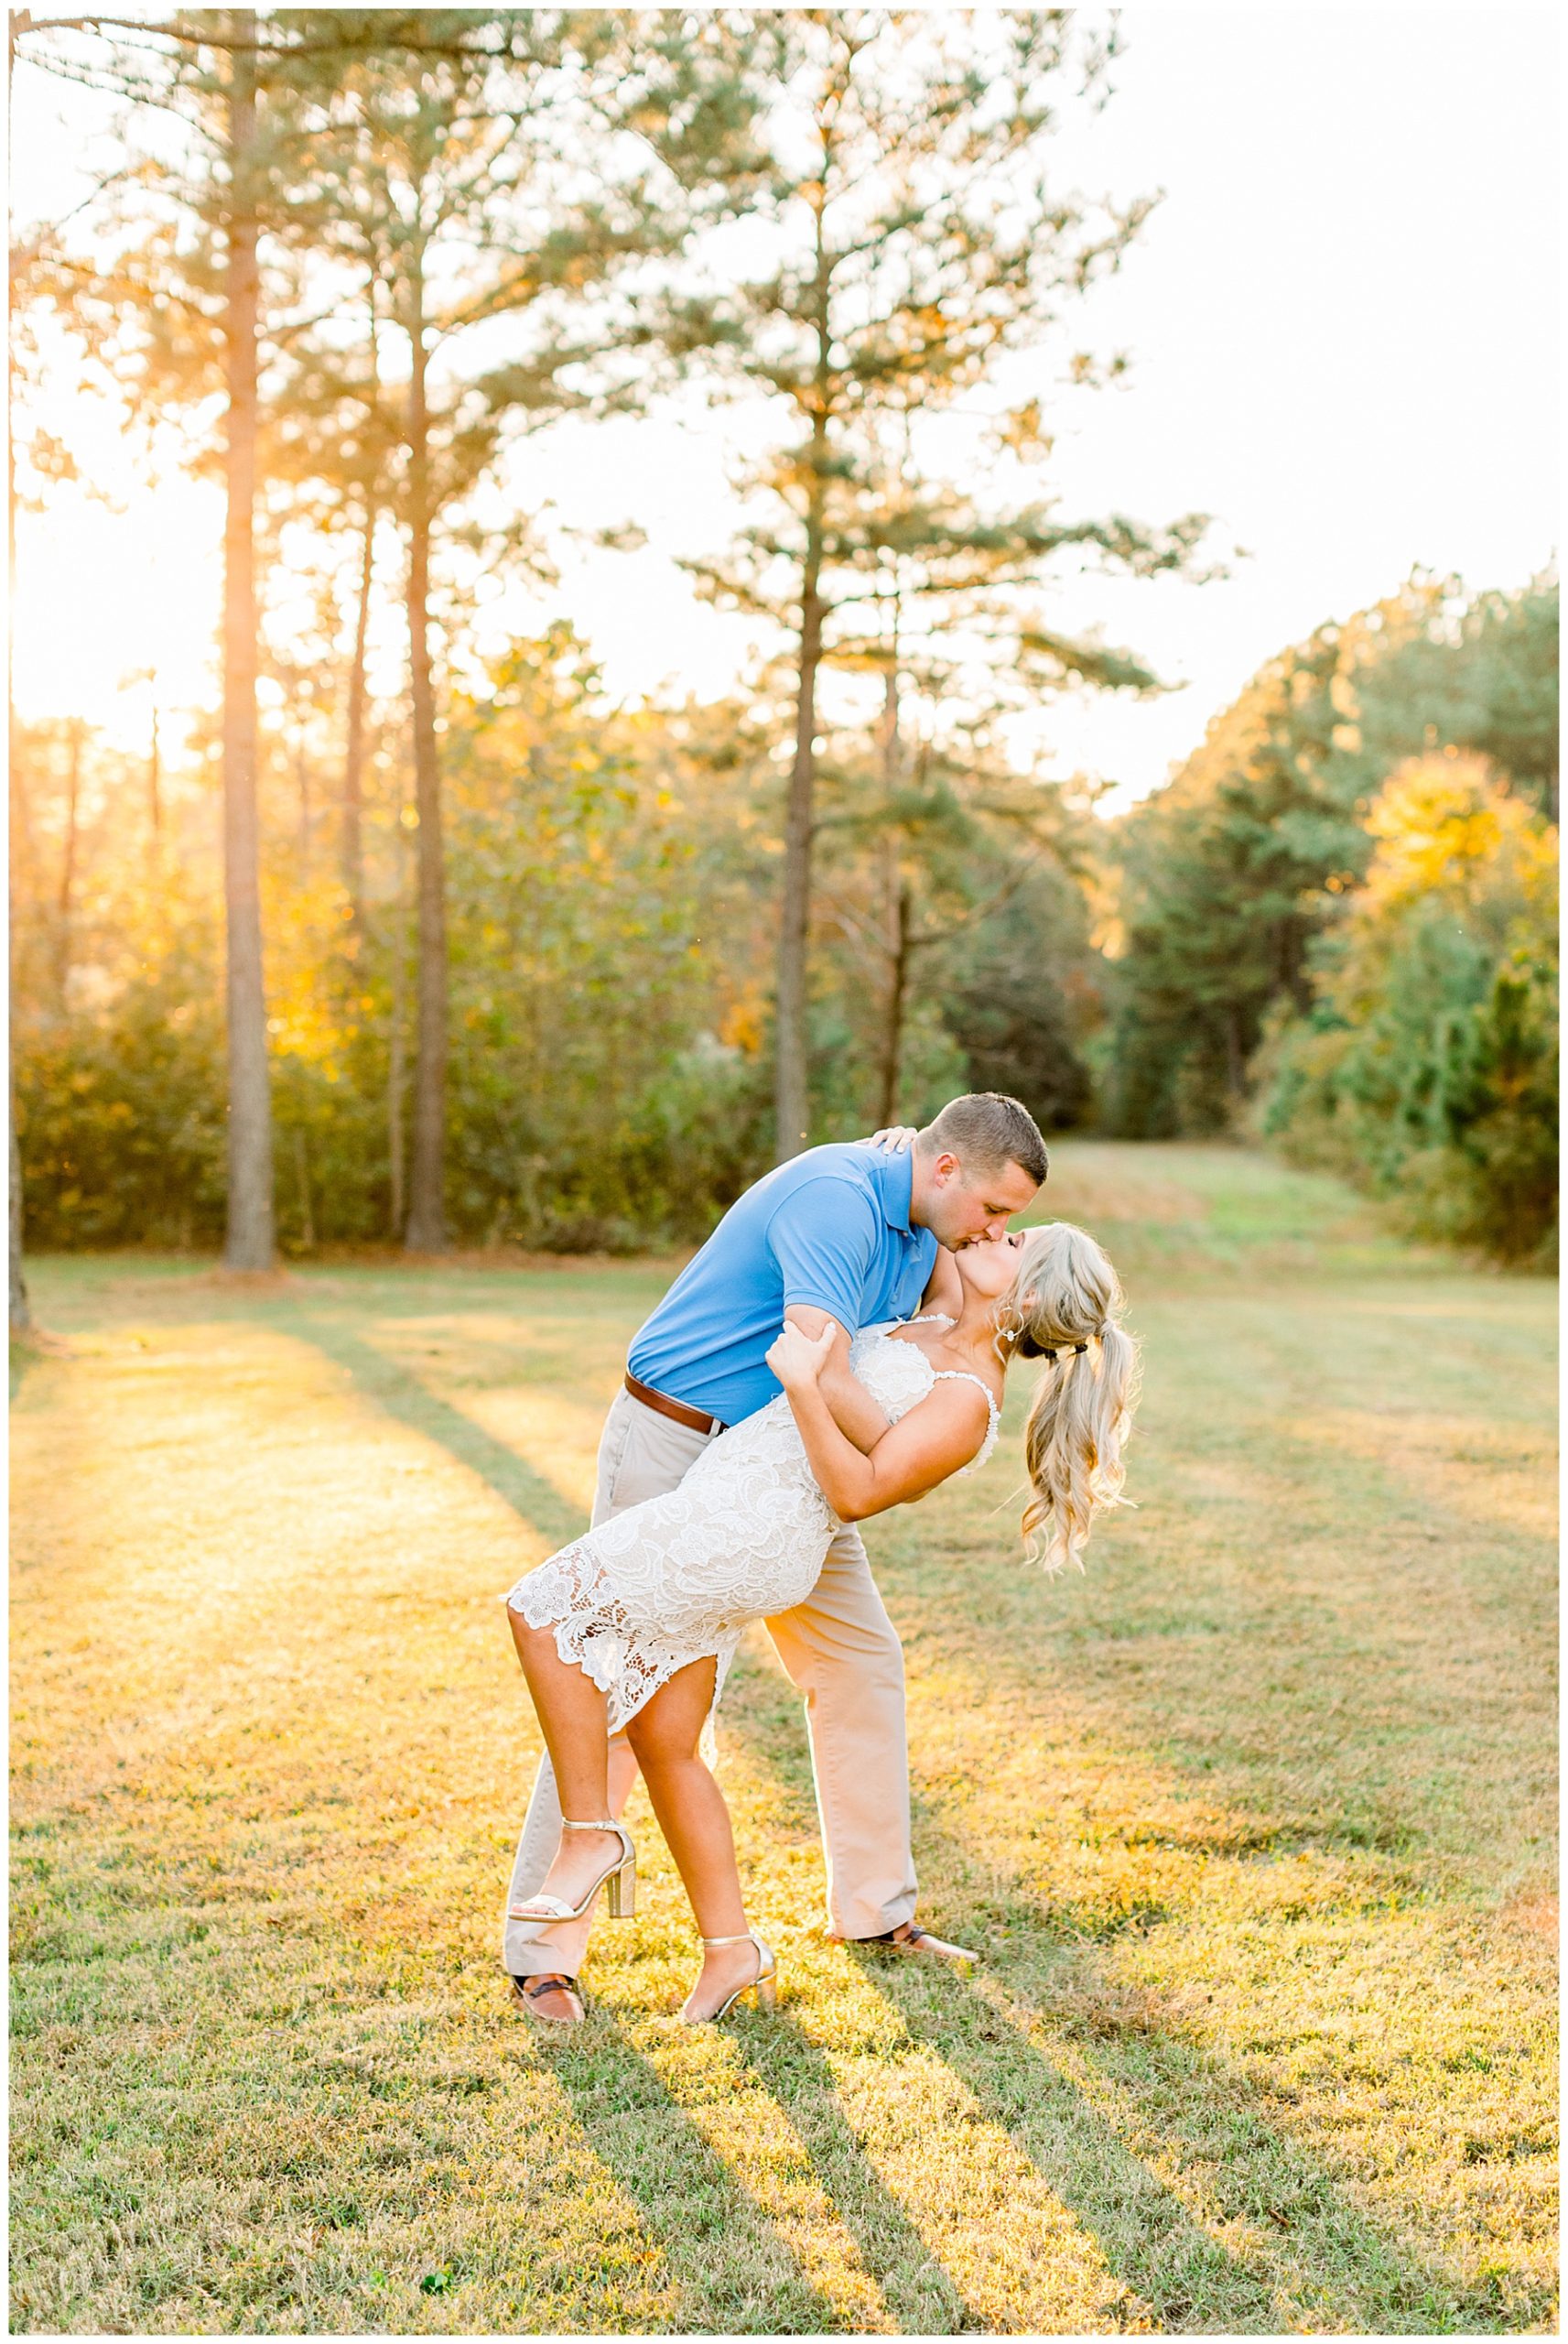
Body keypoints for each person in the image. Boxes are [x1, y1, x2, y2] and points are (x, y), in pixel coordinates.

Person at [505, 1213, 1139, 2022]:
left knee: (543, 1612)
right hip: (731, 1498)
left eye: (1017, 1242)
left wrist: (807, 1385)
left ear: (1029, 1292)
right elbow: (942, 1207)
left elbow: (857, 1491)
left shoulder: (970, 1395)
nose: (995, 1234)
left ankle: (589, 1836)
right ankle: (731, 1953)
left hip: (750, 1530)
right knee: (667, 1740)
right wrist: (902, 1152)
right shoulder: (943, 1308)